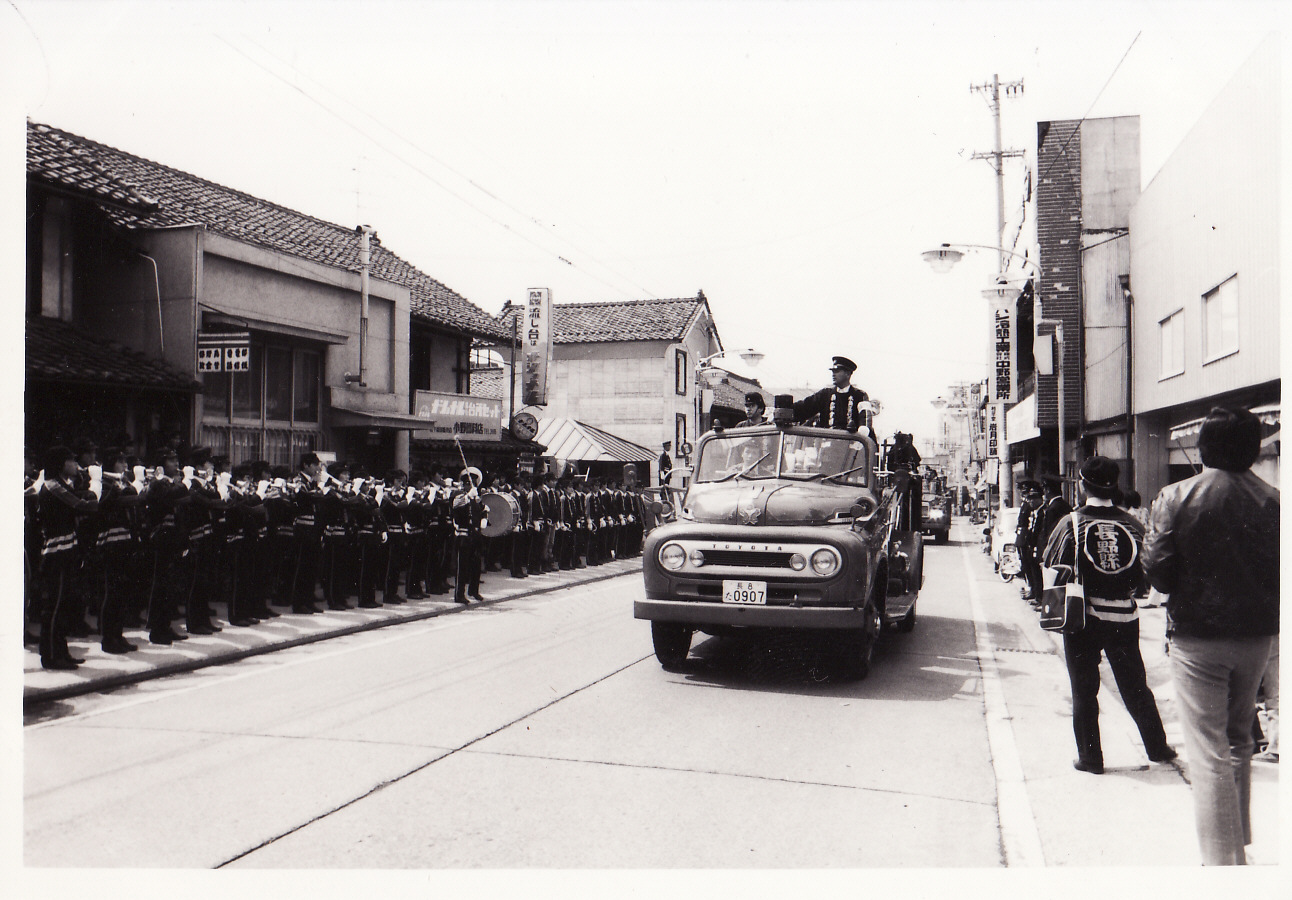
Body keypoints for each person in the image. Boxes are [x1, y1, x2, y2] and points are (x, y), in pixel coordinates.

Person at [1144, 406, 1279, 865]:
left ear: (1203, 447)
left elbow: (1159, 574)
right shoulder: (1275, 499)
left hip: (1198, 637)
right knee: (1240, 737)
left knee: (1208, 750)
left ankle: (1223, 867)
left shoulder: (1176, 496)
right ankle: (1235, 845)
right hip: (1258, 637)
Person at [1042, 455, 1176, 776]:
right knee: (1135, 687)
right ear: (1115, 486)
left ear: (1081, 484)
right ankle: (1157, 747)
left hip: (1082, 620)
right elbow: (1150, 570)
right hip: (1124, 619)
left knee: (1084, 689)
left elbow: (1052, 568)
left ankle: (1091, 758)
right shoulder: (1133, 524)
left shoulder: (1071, 523)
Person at [792, 355, 872, 433]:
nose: (833, 374)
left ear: (848, 374)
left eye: (837, 371)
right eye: (833, 371)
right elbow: (804, 407)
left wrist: (862, 431)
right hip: (827, 444)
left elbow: (865, 421)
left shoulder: (860, 396)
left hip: (851, 444)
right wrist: (784, 406)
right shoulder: (825, 394)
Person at [452, 467, 486, 604]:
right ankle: (459, 594)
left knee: (476, 565)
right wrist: (468, 496)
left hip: (475, 535)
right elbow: (456, 505)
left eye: (473, 484)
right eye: (469, 484)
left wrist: (484, 517)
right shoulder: (459, 496)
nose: (472, 486)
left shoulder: (476, 499)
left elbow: (483, 510)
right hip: (464, 535)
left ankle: (474, 590)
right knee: (462, 567)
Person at [1014, 479, 1044, 604]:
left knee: (1032, 567)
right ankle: (1032, 589)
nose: (1024, 494)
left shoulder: (1030, 507)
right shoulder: (1025, 504)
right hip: (1023, 537)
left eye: (1025, 492)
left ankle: (1035, 592)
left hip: (1028, 538)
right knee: (1026, 565)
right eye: (1023, 492)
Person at [888, 432, 922, 530]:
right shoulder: (902, 449)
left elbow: (916, 463)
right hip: (897, 481)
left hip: (903, 482)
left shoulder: (904, 449)